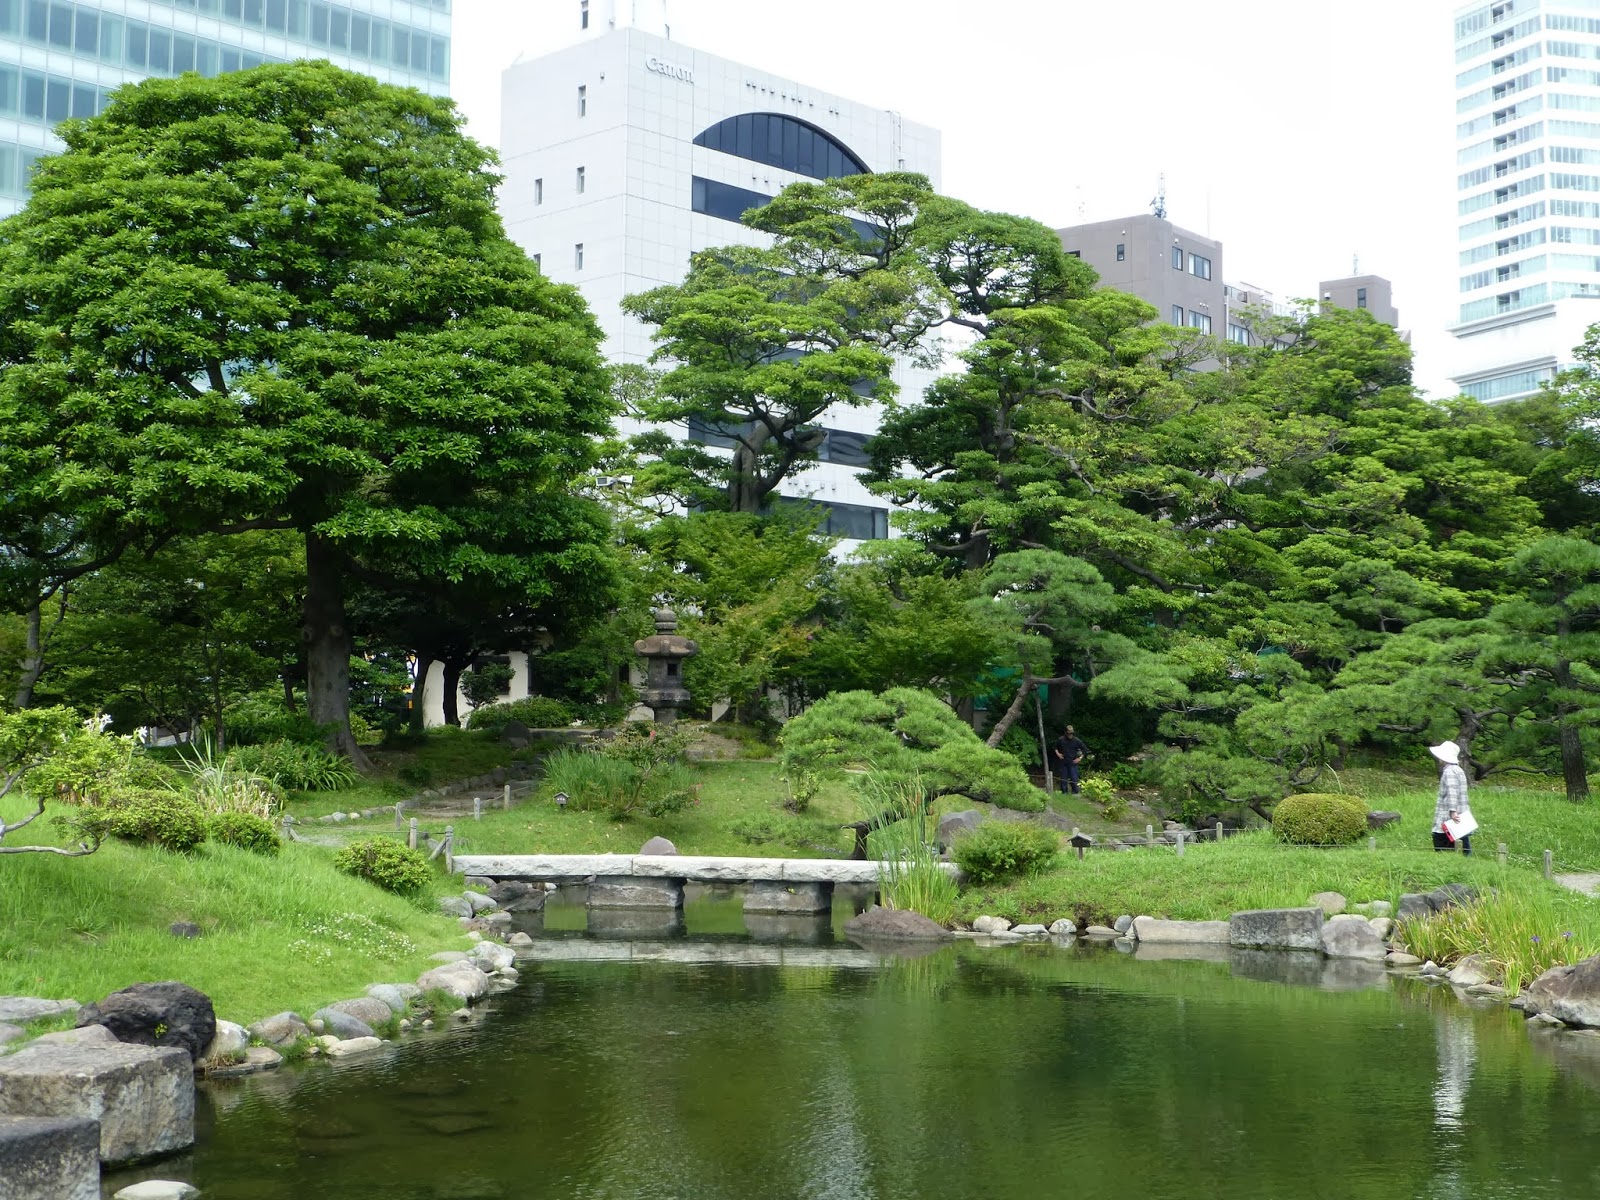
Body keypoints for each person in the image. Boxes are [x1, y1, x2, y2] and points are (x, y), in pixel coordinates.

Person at [1430, 740, 1473, 856]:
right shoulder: (1459, 770)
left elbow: (1452, 791)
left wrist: (1453, 812)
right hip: (1462, 817)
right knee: (1463, 844)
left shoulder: (1449, 771)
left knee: (1442, 842)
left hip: (1449, 818)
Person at [1051, 726, 1087, 795]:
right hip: (1064, 761)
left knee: (1074, 778)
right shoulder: (1061, 739)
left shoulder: (1076, 740)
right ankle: (1064, 792)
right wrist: (1058, 754)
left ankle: (1075, 792)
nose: (1070, 735)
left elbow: (1085, 749)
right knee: (1063, 778)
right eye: (1069, 733)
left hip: (1073, 762)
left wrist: (1079, 758)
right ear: (1066, 733)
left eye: (1072, 733)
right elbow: (1054, 747)